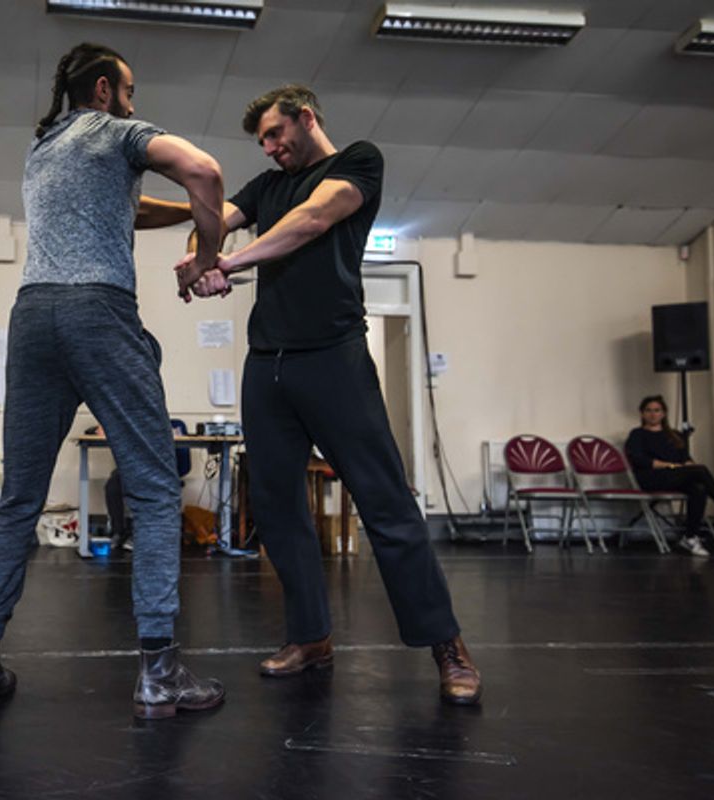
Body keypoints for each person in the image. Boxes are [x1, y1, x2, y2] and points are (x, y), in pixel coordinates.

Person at [178, 85, 482, 705]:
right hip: (267, 365)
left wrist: (228, 265)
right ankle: (310, 637)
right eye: (261, 141)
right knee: (277, 507)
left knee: (385, 501)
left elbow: (311, 221)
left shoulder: (358, 163)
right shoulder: (266, 186)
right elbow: (213, 220)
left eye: (275, 134)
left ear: (306, 118)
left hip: (334, 358)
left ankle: (446, 645)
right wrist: (201, 255)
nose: (269, 148)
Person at [0, 42, 227, 719]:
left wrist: (192, 215)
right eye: (129, 91)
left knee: (18, 498)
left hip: (32, 315)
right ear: (104, 90)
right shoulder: (115, 131)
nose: (134, 104)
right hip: (97, 310)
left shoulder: (44, 146)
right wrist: (208, 253)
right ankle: (159, 673)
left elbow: (129, 208)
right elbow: (204, 169)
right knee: (156, 489)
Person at [625, 394, 714, 557]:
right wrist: (670, 465)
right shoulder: (637, 434)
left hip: (675, 476)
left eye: (657, 410)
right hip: (651, 477)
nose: (653, 414)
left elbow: (685, 459)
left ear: (663, 413)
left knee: (699, 488)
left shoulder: (674, 435)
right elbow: (639, 460)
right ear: (642, 413)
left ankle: (690, 537)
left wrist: (687, 466)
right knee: (700, 471)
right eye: (648, 410)